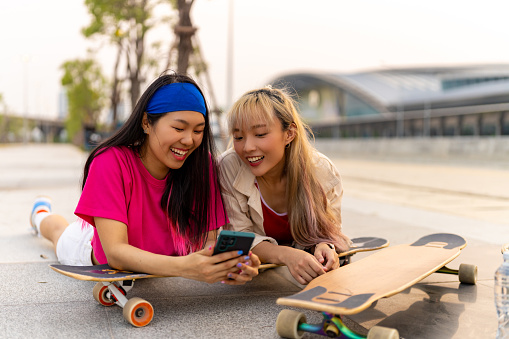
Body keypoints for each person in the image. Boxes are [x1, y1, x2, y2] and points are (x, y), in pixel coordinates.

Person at [30, 73, 259, 285]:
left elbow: (206, 243)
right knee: (59, 231)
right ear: (146, 123)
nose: (189, 140)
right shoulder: (110, 161)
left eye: (198, 131)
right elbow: (116, 254)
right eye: (179, 128)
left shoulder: (202, 165)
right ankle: (40, 215)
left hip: (163, 259)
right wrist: (184, 267)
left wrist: (227, 264)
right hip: (90, 247)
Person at [219, 86, 350, 285]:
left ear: (289, 134)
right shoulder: (227, 166)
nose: (247, 147)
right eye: (238, 137)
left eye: (260, 134)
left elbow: (328, 229)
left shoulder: (322, 171)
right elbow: (237, 237)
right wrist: (285, 255)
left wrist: (325, 247)